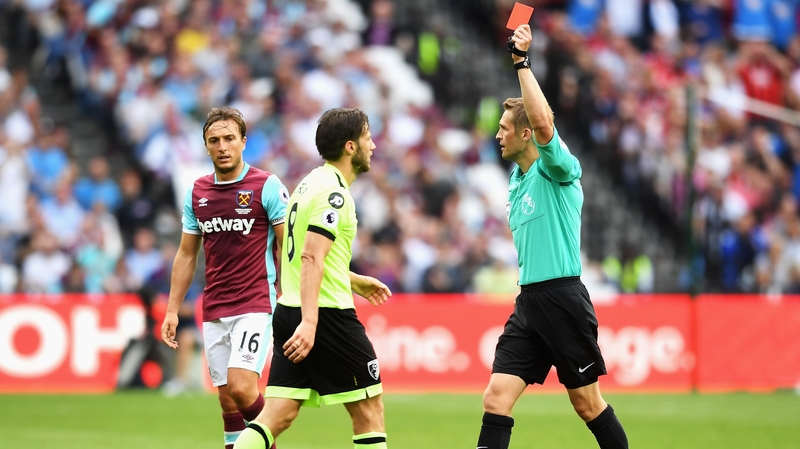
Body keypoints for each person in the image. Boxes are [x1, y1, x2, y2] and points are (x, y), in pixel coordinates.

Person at [474, 25, 629, 449]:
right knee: (495, 397)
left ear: (526, 135)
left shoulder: (556, 169)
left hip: (562, 299)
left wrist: (522, 62)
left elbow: (543, 121)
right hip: (529, 302)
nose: (497, 133)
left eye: (505, 127)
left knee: (587, 403)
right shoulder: (516, 178)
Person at [234, 108, 392, 449]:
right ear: (351, 147)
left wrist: (353, 280)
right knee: (369, 410)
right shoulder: (335, 194)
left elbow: (300, 255)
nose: (373, 145)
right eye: (367, 137)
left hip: (289, 310)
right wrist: (310, 322)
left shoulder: (307, 185)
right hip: (325, 315)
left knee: (276, 414)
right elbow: (309, 256)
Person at [160, 106, 288, 449]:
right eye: (214, 140)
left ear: (244, 142)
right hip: (214, 308)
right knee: (228, 403)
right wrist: (172, 309)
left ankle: (273, 438)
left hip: (256, 304)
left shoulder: (267, 186)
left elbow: (289, 245)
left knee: (243, 388)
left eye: (230, 138)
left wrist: (292, 299)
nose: (222, 146)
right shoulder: (197, 192)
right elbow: (187, 254)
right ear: (205, 146)